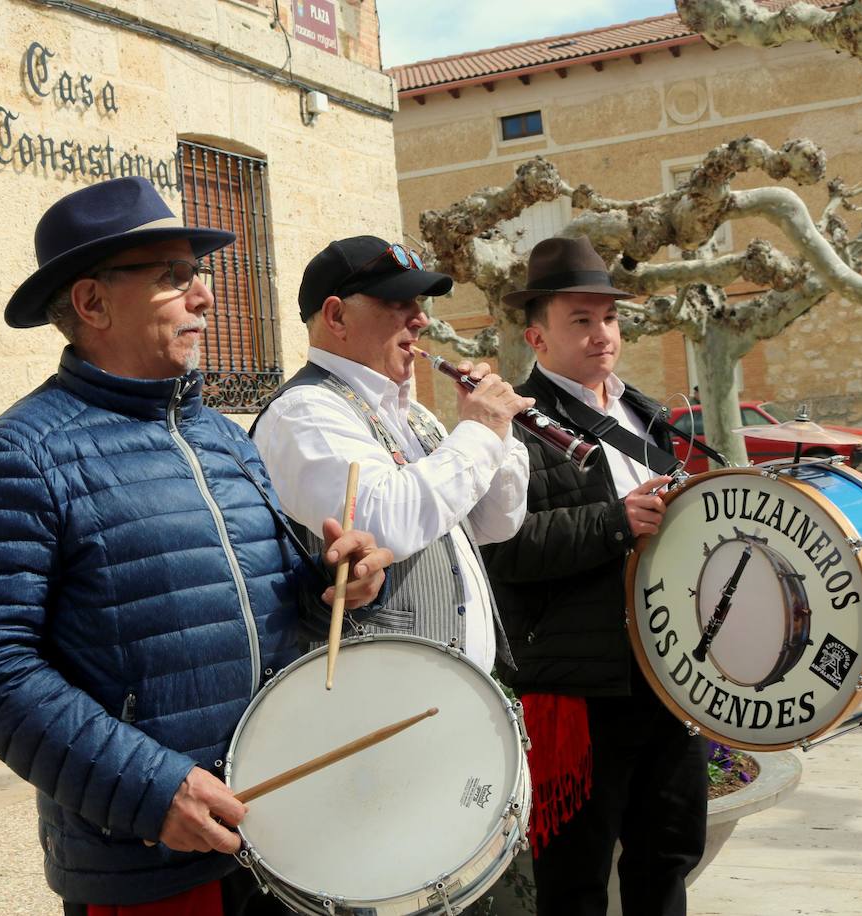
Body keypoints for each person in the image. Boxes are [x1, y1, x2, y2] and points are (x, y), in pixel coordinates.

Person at [0, 178, 392, 915]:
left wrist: (335, 584)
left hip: (284, 829)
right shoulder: (20, 455)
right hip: (150, 857)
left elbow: (256, 601)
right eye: (172, 278)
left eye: (197, 273)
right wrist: (152, 792)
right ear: (91, 304)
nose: (205, 296)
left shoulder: (223, 438)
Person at [482, 237, 707, 916]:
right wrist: (615, 521)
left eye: (607, 318)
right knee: (576, 881)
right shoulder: (512, 423)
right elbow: (506, 552)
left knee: (668, 857)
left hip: (666, 676)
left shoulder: (644, 414)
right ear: (536, 336)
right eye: (579, 319)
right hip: (581, 692)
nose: (601, 333)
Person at [250, 236, 530, 671]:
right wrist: (479, 430)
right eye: (398, 301)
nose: (420, 320)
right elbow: (385, 523)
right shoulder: (304, 410)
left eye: (419, 303)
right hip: (377, 699)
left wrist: (501, 434)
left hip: (453, 693)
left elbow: (496, 522)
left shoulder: (414, 416)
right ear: (336, 316)